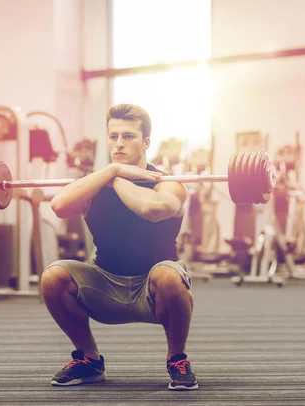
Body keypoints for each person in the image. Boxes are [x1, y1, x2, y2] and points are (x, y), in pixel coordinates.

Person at [41, 103, 198, 391]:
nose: (119, 143)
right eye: (113, 137)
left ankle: (177, 358)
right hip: (105, 285)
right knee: (53, 277)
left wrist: (115, 178)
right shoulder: (98, 182)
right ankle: (89, 360)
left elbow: (153, 209)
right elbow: (59, 206)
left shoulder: (169, 183)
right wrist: (112, 171)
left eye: (128, 136)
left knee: (169, 275)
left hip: (153, 289)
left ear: (146, 142)